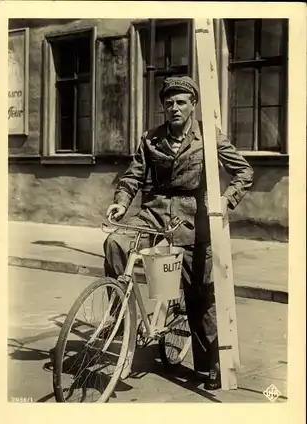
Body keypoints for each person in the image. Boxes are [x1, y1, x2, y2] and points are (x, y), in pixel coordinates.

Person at [104, 76, 254, 390]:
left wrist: (227, 199)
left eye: (181, 102)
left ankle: (210, 362)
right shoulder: (151, 138)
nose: (174, 108)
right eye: (169, 103)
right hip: (154, 212)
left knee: (199, 290)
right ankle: (122, 323)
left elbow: (244, 171)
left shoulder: (209, 137)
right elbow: (133, 175)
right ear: (163, 106)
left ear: (192, 105)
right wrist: (121, 203)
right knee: (115, 242)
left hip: (192, 217)